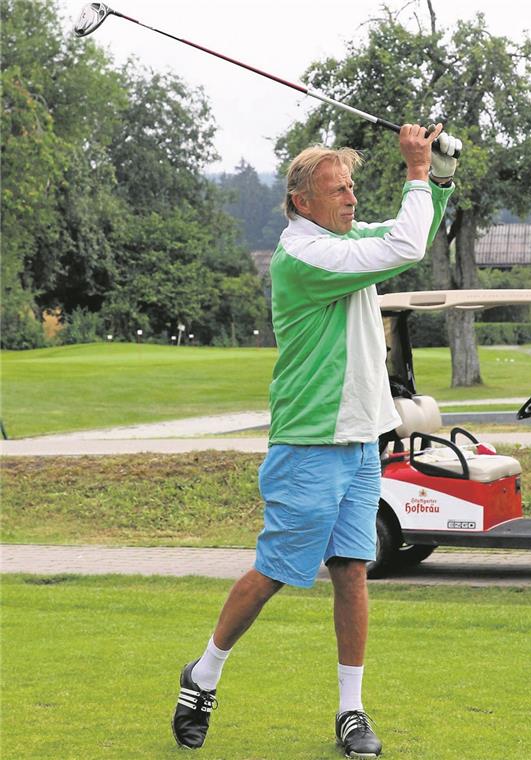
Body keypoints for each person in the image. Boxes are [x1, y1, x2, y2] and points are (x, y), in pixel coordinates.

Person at [172, 123, 459, 757]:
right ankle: (204, 675)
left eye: (353, 186)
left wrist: (437, 178)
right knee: (276, 571)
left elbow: (405, 230)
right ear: (303, 202)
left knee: (354, 569)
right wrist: (415, 169)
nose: (352, 198)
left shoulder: (343, 238)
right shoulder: (306, 256)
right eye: (337, 189)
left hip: (358, 438)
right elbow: (407, 246)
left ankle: (350, 712)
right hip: (308, 441)